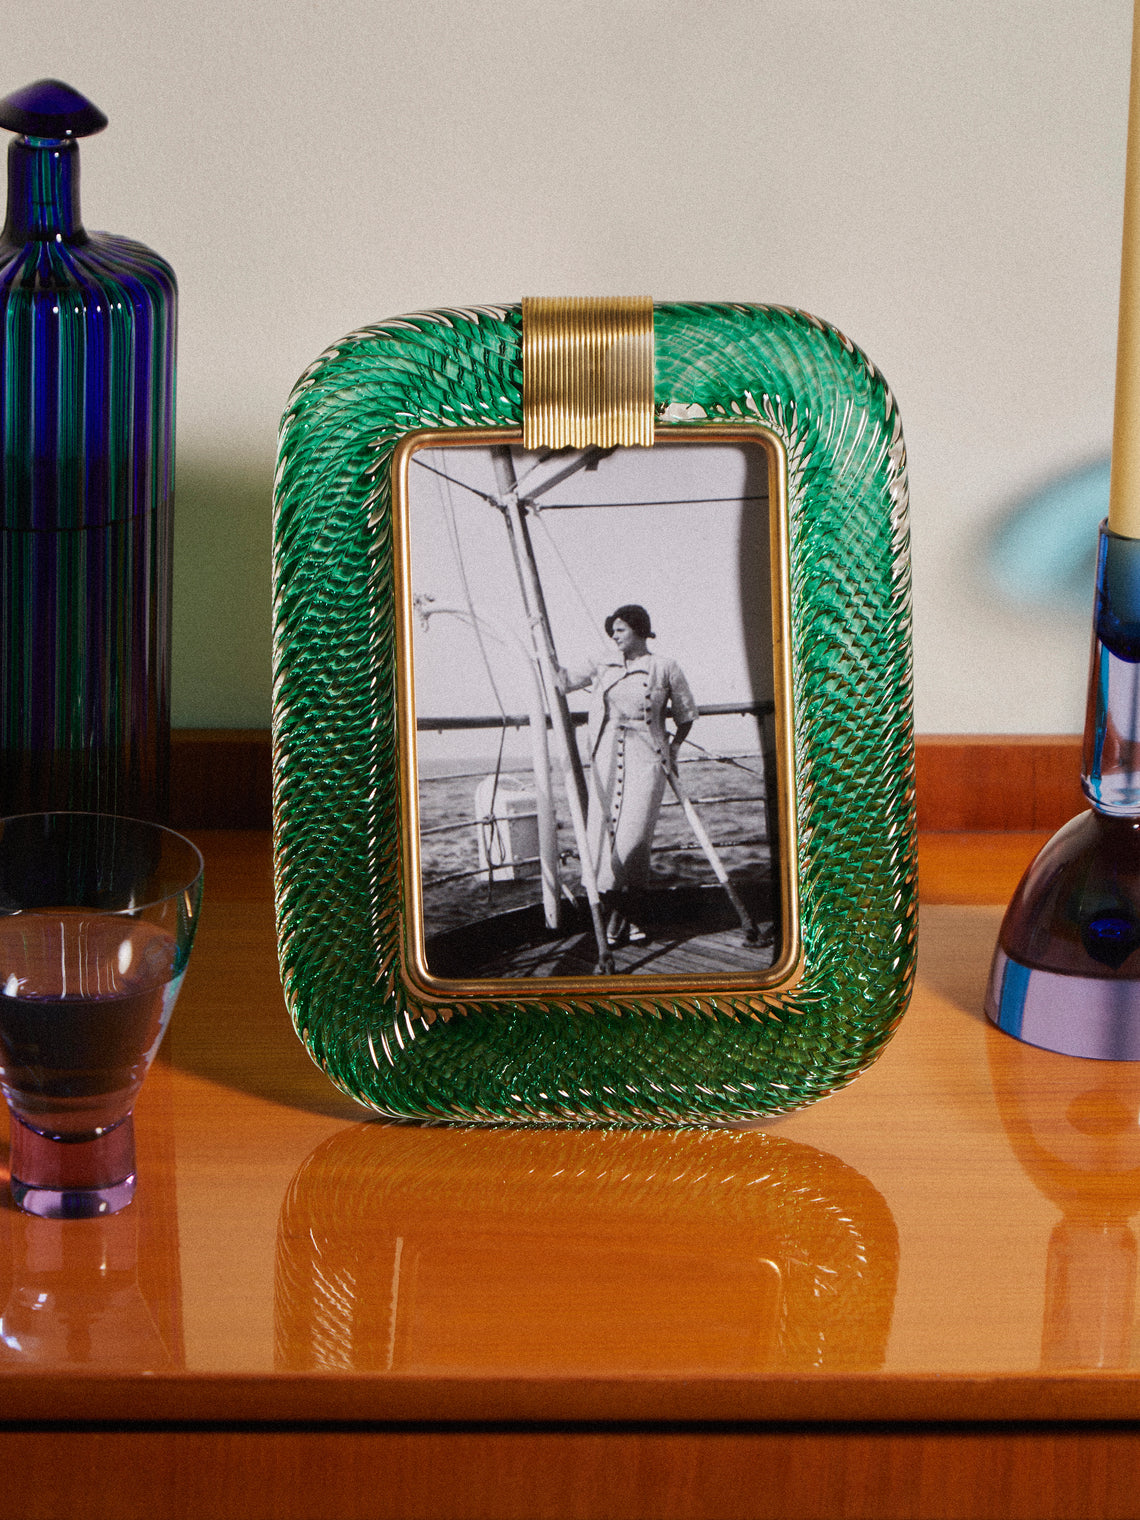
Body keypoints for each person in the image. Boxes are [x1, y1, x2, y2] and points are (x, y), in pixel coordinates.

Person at [561, 604, 697, 945]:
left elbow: (686, 715)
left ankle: (620, 917)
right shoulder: (601, 662)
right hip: (605, 758)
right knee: (603, 840)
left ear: (639, 630)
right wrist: (540, 653)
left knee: (634, 841)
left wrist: (673, 749)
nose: (614, 636)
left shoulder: (665, 666)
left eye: (620, 629)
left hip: (648, 759)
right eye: (612, 631)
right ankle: (627, 919)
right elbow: (562, 682)